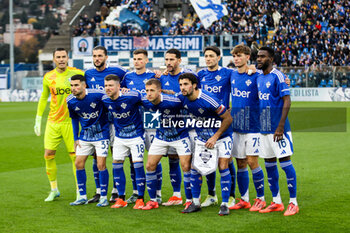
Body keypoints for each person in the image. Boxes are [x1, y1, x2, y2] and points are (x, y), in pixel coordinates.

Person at [178, 73, 233, 216]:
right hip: (202, 138)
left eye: (185, 84)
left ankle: (225, 204)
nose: (182, 88)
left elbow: (228, 119)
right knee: (195, 168)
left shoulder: (208, 99)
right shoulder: (182, 98)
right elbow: (169, 97)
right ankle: (195, 203)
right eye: (181, 85)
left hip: (222, 137)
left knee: (223, 166)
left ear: (194, 85)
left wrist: (215, 137)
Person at [34, 48, 84, 202]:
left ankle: (79, 190)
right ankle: (54, 189)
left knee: (75, 158)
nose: (61, 59)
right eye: (58, 57)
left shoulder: (78, 74)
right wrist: (38, 118)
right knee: (48, 155)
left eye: (64, 57)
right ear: (54, 59)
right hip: (53, 122)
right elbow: (44, 98)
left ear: (68, 58)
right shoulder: (49, 77)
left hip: (71, 122)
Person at [256, 47, 298, 216]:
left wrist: (280, 126)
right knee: (269, 164)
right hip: (263, 128)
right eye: (258, 56)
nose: (259, 59)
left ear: (271, 58)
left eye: (262, 56)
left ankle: (293, 202)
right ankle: (276, 201)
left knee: (285, 162)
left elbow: (287, 101)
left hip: (278, 128)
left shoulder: (278, 76)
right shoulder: (259, 77)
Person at [85, 45, 128, 203]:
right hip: (98, 121)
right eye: (95, 56)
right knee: (97, 157)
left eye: (100, 56)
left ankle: (116, 190)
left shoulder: (118, 71)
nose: (97, 58)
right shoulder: (88, 74)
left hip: (116, 119)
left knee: (117, 155)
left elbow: (130, 79)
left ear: (106, 57)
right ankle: (99, 190)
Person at [141, 78, 192, 210]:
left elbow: (188, 102)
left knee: (186, 166)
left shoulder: (173, 102)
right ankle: (152, 200)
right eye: (147, 91)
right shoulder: (146, 101)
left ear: (159, 91)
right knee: (150, 165)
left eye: (152, 90)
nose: (149, 93)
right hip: (161, 137)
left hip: (180, 136)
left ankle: (190, 200)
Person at [120, 49, 162, 204]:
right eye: (135, 58)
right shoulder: (127, 77)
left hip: (151, 117)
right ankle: (136, 191)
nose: (136, 61)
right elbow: (122, 92)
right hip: (133, 120)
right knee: (134, 159)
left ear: (146, 60)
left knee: (154, 157)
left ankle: (157, 192)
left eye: (139, 59)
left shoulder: (154, 76)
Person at [229, 45, 266, 211]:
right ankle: (244, 199)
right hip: (237, 127)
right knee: (241, 163)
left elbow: (271, 77)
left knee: (252, 162)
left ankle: (261, 198)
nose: (236, 59)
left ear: (247, 57)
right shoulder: (232, 75)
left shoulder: (257, 75)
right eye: (235, 56)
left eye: (240, 56)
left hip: (253, 127)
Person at [102, 74, 146, 210]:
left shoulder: (131, 96)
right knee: (116, 165)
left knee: (137, 165)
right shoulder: (105, 99)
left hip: (136, 136)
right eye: (106, 86)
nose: (108, 88)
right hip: (120, 137)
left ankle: (140, 198)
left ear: (119, 86)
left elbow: (145, 101)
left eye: (111, 85)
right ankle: (121, 198)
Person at [159, 48, 197, 206]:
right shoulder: (161, 77)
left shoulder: (189, 76)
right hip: (172, 126)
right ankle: (176, 195)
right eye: (166, 60)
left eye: (171, 60)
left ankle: (202, 195)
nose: (168, 63)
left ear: (179, 61)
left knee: (194, 163)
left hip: (192, 125)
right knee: (173, 160)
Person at [66, 75, 110, 207]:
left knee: (101, 165)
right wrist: (76, 138)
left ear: (84, 85)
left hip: (101, 134)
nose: (73, 88)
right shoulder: (70, 100)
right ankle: (82, 196)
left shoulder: (98, 95)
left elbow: (111, 104)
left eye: (76, 85)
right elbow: (74, 118)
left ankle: (103, 197)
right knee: (78, 163)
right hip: (85, 136)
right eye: (72, 86)